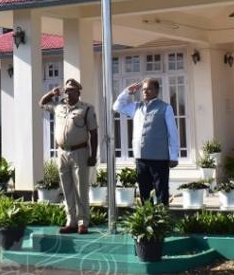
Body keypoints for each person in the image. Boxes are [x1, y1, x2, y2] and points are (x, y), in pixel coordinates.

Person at [39, 78, 98, 234]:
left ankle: (83, 222)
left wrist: (93, 155)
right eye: (66, 91)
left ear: (78, 92)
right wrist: (52, 93)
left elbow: (94, 132)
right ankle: (71, 221)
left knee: (81, 188)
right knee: (66, 188)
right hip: (62, 152)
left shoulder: (86, 109)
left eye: (71, 90)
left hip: (80, 152)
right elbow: (41, 103)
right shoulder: (59, 108)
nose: (68, 93)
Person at [112, 78, 180, 205]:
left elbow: (173, 133)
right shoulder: (136, 107)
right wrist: (127, 92)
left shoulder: (165, 108)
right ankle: (146, 218)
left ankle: (162, 220)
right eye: (143, 89)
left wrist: (174, 156)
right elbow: (116, 106)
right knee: (144, 191)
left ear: (156, 90)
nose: (145, 91)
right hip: (141, 157)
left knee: (161, 191)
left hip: (159, 158)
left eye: (148, 89)